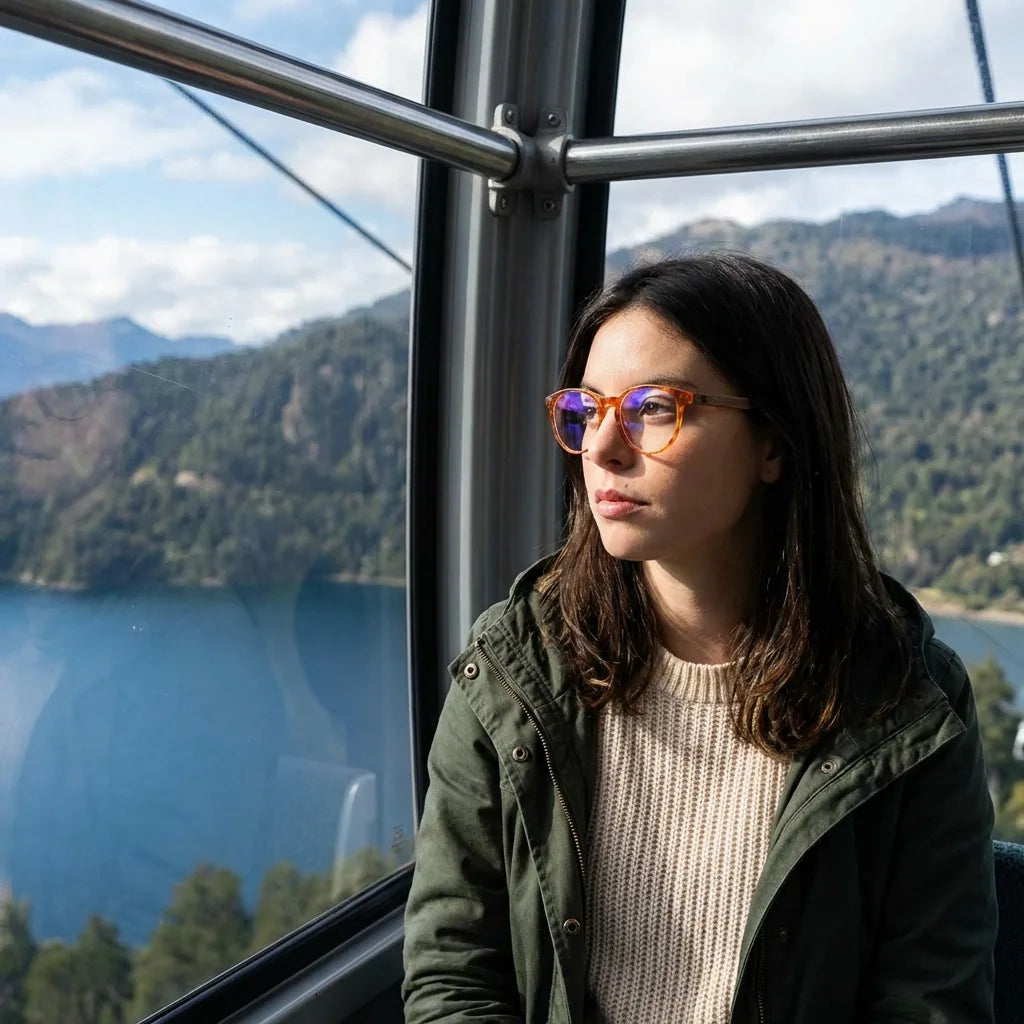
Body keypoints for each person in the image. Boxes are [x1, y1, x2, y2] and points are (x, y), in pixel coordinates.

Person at [402, 253, 997, 1023]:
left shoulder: (903, 701)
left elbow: (931, 1004)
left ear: (775, 443)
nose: (603, 448)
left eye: (652, 407)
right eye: (587, 409)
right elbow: (453, 973)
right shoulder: (517, 669)